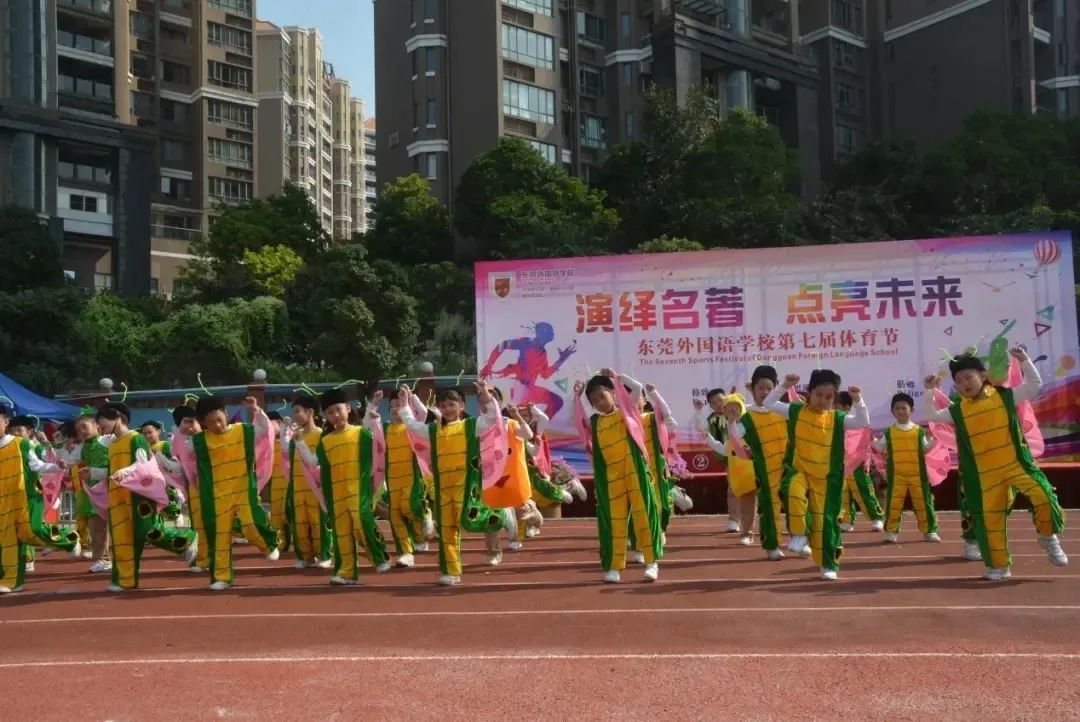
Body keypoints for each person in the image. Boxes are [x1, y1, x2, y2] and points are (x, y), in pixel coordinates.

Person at [922, 349, 1067, 580]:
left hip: (1016, 464)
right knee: (990, 520)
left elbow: (1034, 385)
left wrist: (1024, 360)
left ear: (983, 375)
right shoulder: (958, 410)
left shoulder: (1004, 397)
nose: (964, 383)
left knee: (1044, 495)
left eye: (968, 377)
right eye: (958, 381)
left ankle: (1048, 536)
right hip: (985, 474)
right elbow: (930, 413)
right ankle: (998, 565)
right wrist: (929, 390)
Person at [760, 370, 869, 580]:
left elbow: (862, 421)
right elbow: (769, 403)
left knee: (824, 524)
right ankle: (799, 535)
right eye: (818, 394)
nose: (823, 400)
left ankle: (827, 564)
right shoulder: (796, 411)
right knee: (792, 491)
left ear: (834, 398)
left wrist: (858, 400)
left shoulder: (838, 419)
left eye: (829, 397)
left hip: (827, 481)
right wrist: (784, 385)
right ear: (809, 393)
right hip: (800, 471)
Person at [397, 384, 509, 586]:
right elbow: (412, 426)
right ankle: (451, 571)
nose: (447, 409)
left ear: (462, 405)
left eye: (451, 404)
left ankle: (497, 515)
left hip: (466, 486)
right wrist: (405, 403)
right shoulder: (433, 431)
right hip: (442, 490)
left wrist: (484, 393)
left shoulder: (471, 425)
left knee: (468, 519)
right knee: (447, 530)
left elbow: (493, 416)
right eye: (443, 405)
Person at [294, 389, 390, 585]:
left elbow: (376, 443)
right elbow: (313, 463)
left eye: (338, 410)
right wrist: (300, 444)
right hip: (337, 496)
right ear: (325, 416)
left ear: (347, 408)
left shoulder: (359, 433)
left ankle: (379, 557)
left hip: (357, 492)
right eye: (329, 412)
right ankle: (346, 573)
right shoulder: (326, 440)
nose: (335, 415)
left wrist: (374, 414)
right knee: (342, 535)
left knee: (363, 522)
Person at [573, 369, 661, 583]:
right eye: (594, 400)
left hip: (634, 472)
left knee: (643, 516)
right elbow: (578, 417)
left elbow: (638, 389)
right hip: (612, 478)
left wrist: (617, 377)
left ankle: (651, 563)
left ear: (613, 393)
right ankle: (614, 566)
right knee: (614, 521)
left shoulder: (627, 412)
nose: (600, 402)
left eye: (602, 396)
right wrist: (577, 395)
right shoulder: (595, 421)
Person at [96, 401, 195, 592]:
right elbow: (111, 471)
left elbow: (143, 464)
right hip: (118, 498)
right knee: (121, 539)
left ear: (117, 417)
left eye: (104, 422)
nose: (102, 427)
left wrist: (124, 471)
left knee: (147, 532)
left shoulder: (136, 439)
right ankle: (124, 580)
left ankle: (188, 539)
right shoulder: (112, 445)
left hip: (138, 496)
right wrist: (93, 473)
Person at [190, 396, 279, 591]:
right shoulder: (201, 441)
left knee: (250, 524)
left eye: (219, 419)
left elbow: (265, 430)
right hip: (218, 496)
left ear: (226, 414)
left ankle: (269, 544)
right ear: (203, 423)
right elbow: (184, 456)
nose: (217, 425)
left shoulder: (243, 431)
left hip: (243, 490)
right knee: (220, 536)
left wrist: (256, 410)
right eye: (210, 422)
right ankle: (222, 576)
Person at [0, 403, 81, 593]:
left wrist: (58, 466)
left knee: (32, 529)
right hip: (3, 501)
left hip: (28, 496)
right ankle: (13, 581)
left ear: (5, 422)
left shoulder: (21, 443)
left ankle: (68, 539)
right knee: (9, 539)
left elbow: (38, 466)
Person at [364, 389, 435, 568]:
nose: (396, 408)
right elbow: (367, 426)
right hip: (392, 479)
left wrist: (411, 398)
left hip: (413, 477)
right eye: (393, 406)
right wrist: (373, 405)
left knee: (410, 507)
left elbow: (424, 413)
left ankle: (425, 515)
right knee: (395, 516)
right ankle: (406, 553)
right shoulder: (385, 428)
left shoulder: (413, 426)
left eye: (399, 405)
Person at [872, 392, 941, 544]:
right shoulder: (889, 432)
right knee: (894, 504)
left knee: (923, 503)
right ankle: (891, 532)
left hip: (918, 475)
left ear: (912, 410)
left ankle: (929, 531)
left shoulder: (918, 431)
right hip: (897, 476)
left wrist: (935, 438)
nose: (901, 411)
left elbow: (925, 448)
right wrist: (870, 439)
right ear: (892, 411)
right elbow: (879, 447)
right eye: (897, 408)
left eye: (904, 408)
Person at [696, 392, 757, 547]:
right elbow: (723, 448)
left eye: (735, 408)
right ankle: (746, 531)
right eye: (728, 409)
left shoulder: (749, 422)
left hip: (759, 469)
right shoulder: (727, 428)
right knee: (744, 500)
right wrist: (707, 437)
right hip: (740, 473)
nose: (732, 411)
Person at [155, 404, 210, 572]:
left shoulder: (207, 432)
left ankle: (211, 557)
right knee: (199, 523)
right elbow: (180, 463)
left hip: (210, 482)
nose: (185, 426)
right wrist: (164, 463)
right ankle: (202, 558)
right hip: (193, 484)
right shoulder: (179, 436)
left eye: (189, 421)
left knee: (212, 522)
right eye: (181, 422)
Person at [284, 394, 333, 569]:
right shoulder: (294, 438)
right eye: (294, 412)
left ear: (310, 412)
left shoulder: (321, 435)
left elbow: (319, 463)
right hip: (297, 489)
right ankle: (305, 556)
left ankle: (324, 555)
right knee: (300, 525)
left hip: (315, 489)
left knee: (318, 523)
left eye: (298, 411)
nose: (296, 415)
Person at [835, 391, 885, 534]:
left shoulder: (853, 421)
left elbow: (865, 438)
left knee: (864, 491)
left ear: (846, 407)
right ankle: (846, 520)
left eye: (836, 404)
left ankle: (877, 517)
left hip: (856, 463)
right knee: (843, 493)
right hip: (840, 463)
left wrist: (866, 460)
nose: (832, 407)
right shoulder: (831, 421)